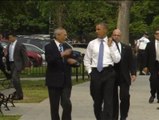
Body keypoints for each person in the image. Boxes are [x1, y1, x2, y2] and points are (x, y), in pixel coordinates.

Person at [84, 23, 121, 120]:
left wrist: (111, 47)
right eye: (96, 29)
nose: (96, 31)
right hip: (96, 73)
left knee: (108, 100)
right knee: (97, 100)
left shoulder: (112, 43)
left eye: (98, 29)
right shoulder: (92, 43)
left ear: (105, 30)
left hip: (108, 73)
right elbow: (87, 59)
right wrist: (90, 72)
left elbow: (117, 59)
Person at [45, 27, 77, 120]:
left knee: (67, 104)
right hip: (54, 81)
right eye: (65, 35)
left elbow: (71, 60)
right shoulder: (49, 47)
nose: (66, 37)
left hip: (66, 82)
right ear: (58, 35)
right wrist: (62, 54)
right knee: (54, 107)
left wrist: (75, 63)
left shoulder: (67, 47)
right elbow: (49, 60)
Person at [112, 29, 136, 120]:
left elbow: (132, 61)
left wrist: (133, 73)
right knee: (113, 98)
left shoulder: (127, 48)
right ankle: (114, 117)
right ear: (112, 36)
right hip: (112, 76)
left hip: (124, 76)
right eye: (114, 35)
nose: (116, 37)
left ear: (120, 36)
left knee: (125, 97)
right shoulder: (108, 47)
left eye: (118, 35)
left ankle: (123, 116)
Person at [6, 31, 29, 100]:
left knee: (15, 78)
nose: (9, 39)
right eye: (8, 38)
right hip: (11, 64)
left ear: (14, 37)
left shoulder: (20, 45)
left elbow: (25, 56)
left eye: (10, 37)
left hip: (18, 64)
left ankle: (19, 94)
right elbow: (8, 55)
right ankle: (16, 94)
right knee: (14, 80)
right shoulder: (9, 45)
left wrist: (25, 66)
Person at [143, 28, 159, 104]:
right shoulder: (150, 44)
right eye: (156, 34)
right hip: (153, 64)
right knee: (153, 79)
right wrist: (145, 66)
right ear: (154, 35)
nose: (158, 35)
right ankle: (152, 94)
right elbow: (146, 55)